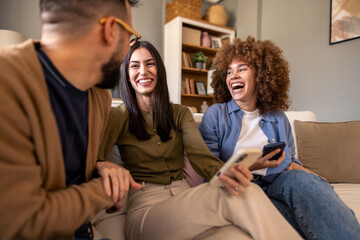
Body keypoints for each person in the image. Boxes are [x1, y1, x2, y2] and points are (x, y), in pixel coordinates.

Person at [95, 40, 301, 240]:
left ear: (160, 71)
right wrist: (102, 165)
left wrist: (229, 173)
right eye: (134, 66)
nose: (143, 71)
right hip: (146, 207)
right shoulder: (119, 115)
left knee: (236, 235)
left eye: (150, 64)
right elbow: (94, 159)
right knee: (244, 193)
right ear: (127, 75)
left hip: (185, 197)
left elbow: (201, 157)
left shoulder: (180, 113)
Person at [0, 0, 141, 239]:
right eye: (130, 37)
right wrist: (104, 190)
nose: (128, 51)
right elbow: (22, 223)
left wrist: (101, 167)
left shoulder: (99, 98)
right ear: (109, 31)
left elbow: (64, 173)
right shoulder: (8, 85)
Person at [199, 36, 360, 240]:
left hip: (280, 180)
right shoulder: (215, 115)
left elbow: (291, 159)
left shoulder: (276, 115)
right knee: (298, 216)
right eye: (229, 72)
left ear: (261, 74)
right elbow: (209, 175)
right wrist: (250, 166)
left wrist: (309, 176)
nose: (233, 76)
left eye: (242, 69)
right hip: (244, 185)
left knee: (309, 184)